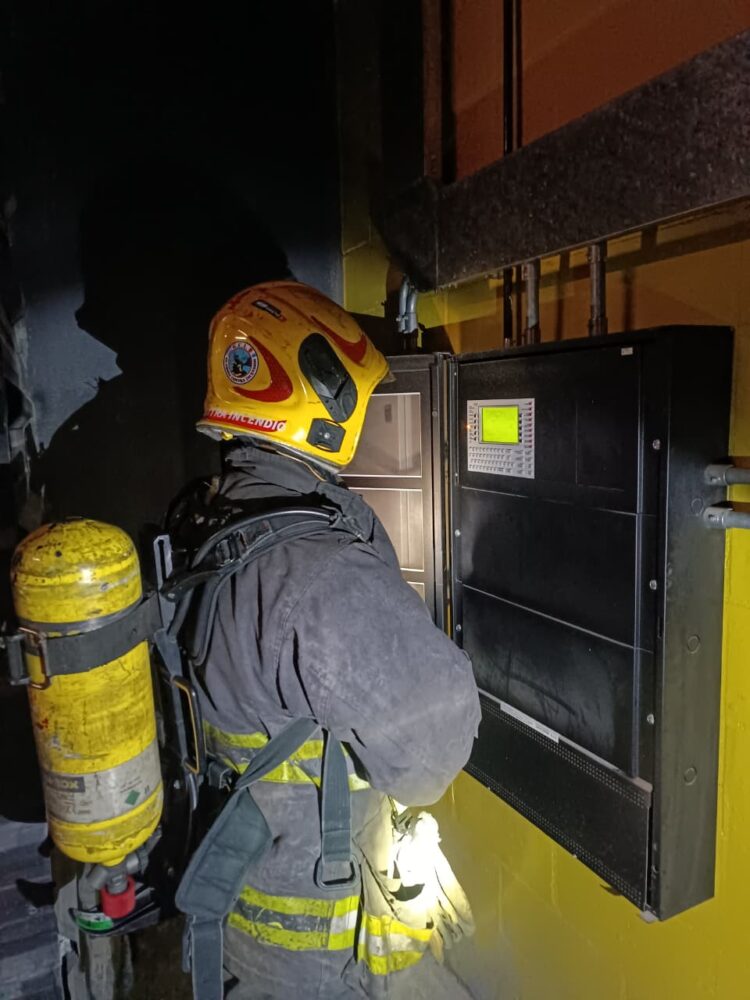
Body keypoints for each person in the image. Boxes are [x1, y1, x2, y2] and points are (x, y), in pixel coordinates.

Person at [179, 279, 480, 999]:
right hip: (323, 955)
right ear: (322, 398)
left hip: (247, 921)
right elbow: (429, 761)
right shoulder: (318, 577)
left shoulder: (213, 527)